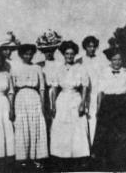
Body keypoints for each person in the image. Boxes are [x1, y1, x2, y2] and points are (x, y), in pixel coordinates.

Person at [91, 47, 126, 171]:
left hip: (122, 105)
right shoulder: (103, 73)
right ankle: (106, 163)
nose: (117, 62)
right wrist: (98, 108)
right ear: (110, 61)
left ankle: (123, 162)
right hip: (107, 105)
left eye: (119, 60)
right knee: (107, 134)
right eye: (114, 60)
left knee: (123, 135)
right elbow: (100, 92)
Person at [50, 40, 90, 170]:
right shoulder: (58, 69)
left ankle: (78, 157)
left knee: (77, 128)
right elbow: (55, 88)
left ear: (75, 54)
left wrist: (83, 103)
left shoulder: (81, 68)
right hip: (62, 99)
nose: (69, 56)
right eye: (67, 54)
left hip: (75, 98)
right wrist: (53, 104)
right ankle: (62, 156)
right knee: (62, 128)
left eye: (72, 54)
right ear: (63, 54)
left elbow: (84, 87)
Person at [12, 44, 48, 169]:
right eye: (25, 54)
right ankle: (23, 158)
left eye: (30, 54)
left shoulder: (37, 68)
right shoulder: (15, 68)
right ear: (21, 55)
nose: (28, 56)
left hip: (34, 97)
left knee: (35, 126)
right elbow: (12, 88)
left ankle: (36, 157)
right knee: (22, 127)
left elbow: (42, 88)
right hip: (21, 98)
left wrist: (43, 105)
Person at [36, 29, 62, 152]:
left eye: (51, 50)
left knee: (56, 120)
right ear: (42, 51)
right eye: (46, 50)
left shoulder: (60, 64)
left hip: (57, 93)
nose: (49, 53)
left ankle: (56, 149)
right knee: (44, 120)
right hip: (43, 93)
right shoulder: (39, 65)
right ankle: (45, 149)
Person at [76, 36, 104, 145]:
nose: (91, 49)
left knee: (94, 121)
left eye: (93, 46)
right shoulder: (79, 61)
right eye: (89, 46)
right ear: (85, 47)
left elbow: (103, 79)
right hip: (83, 94)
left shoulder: (101, 61)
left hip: (96, 94)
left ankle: (94, 149)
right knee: (82, 121)